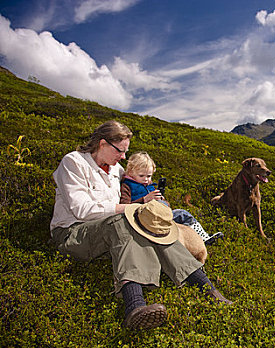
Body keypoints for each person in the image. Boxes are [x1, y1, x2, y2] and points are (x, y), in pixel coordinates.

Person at [49, 120, 232, 331]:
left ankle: (207, 289)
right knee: (124, 220)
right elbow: (82, 210)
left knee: (151, 224)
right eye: (121, 151)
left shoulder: (116, 170)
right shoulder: (73, 163)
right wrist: (131, 209)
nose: (124, 157)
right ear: (102, 144)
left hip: (106, 235)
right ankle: (134, 306)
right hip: (72, 233)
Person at [120, 151, 223, 245]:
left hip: (160, 216)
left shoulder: (149, 185)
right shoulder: (127, 186)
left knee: (183, 215)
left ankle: (202, 238)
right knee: (181, 215)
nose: (146, 180)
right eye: (142, 176)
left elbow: (167, 205)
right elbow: (125, 206)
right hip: (144, 220)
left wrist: (162, 201)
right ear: (130, 172)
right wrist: (144, 200)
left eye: (149, 176)